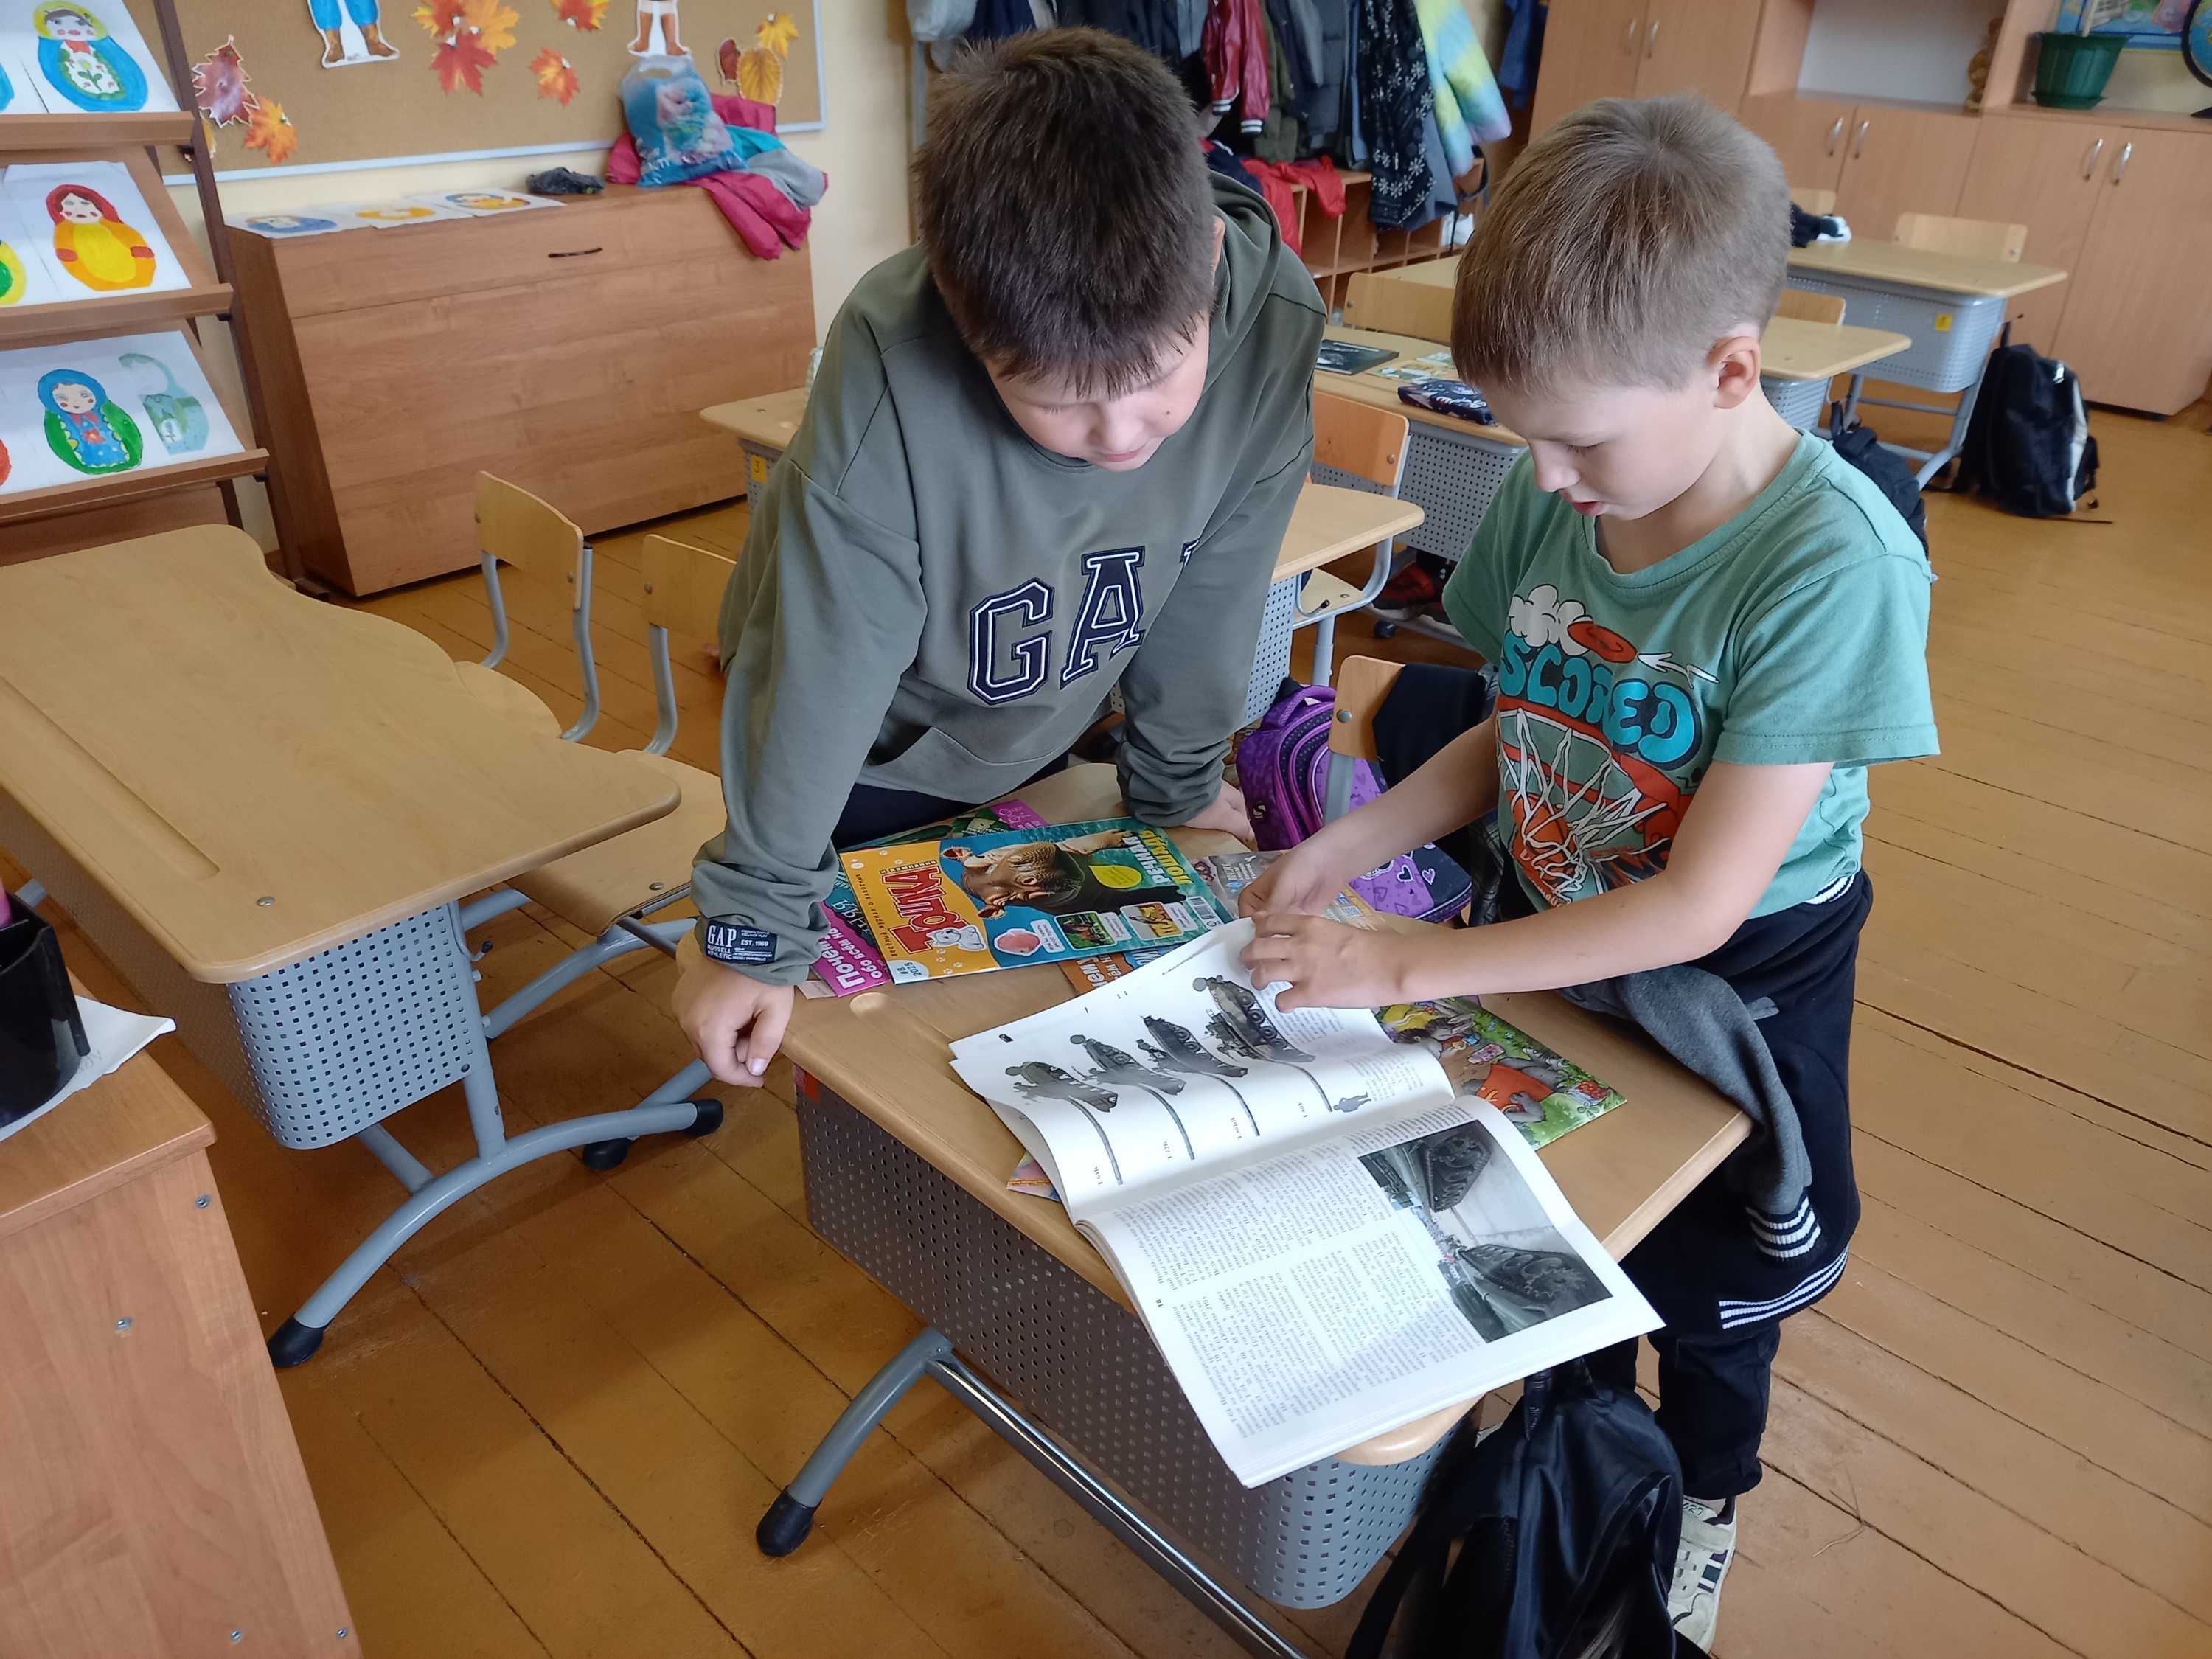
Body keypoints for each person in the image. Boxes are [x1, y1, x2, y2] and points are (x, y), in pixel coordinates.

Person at [1237, 95, 1935, 1650]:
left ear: (1732, 370)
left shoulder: (1831, 564)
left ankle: (1700, 1494)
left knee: (1706, 1284)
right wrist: (1348, 841)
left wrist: (1397, 958)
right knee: (1547, 1217)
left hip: (1734, 989)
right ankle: (1565, 1442)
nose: (1545, 478)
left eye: (1580, 441)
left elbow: (1700, 905)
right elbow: (1520, 721)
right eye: (1523, 436)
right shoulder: (1567, 497)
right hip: (1546, 926)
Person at [673, 29, 1324, 1085]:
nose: (1122, 437)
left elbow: (1216, 579)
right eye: (1059, 403)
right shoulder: (892, 360)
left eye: (1158, 378)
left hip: (1038, 734)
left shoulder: (1275, 319)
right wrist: (753, 923)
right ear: (966, 326)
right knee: (868, 1063)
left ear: (1209, 257)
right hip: (866, 765)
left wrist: (1177, 779)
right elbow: (824, 662)